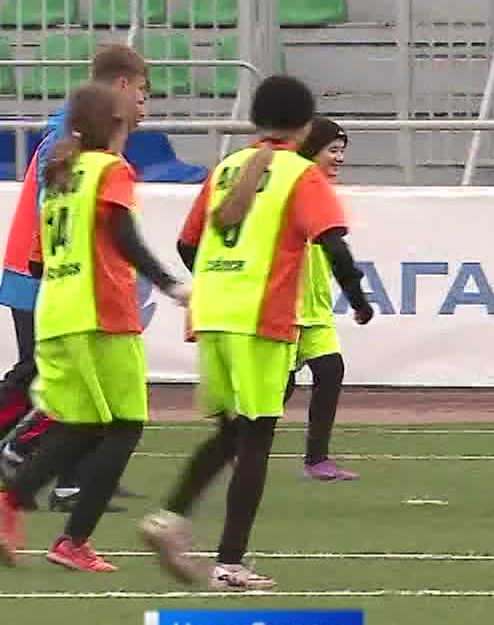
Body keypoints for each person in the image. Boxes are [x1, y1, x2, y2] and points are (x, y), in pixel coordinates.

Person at [137, 75, 375, 592]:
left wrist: (221, 280)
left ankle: (170, 516)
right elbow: (334, 244)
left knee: (231, 431)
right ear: (305, 125)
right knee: (257, 437)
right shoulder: (299, 174)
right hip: (260, 316)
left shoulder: (227, 167)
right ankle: (230, 563)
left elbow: (187, 244)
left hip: (212, 312)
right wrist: (358, 301)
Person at [0, 84, 188, 571]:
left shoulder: (61, 175)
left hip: (57, 313)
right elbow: (124, 235)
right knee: (125, 424)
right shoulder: (110, 169)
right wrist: (170, 284)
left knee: (83, 424)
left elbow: (38, 262)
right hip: (102, 314)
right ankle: (74, 540)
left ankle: (10, 500)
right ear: (116, 125)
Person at [0, 45, 151, 509]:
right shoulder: (70, 135)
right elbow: (53, 210)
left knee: (62, 380)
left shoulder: (81, 132)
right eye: (142, 90)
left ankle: (77, 477)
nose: (144, 101)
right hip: (42, 275)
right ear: (121, 85)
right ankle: (45, 467)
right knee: (40, 377)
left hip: (51, 274)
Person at [285, 118, 354, 481]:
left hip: (315, 310)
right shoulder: (292, 189)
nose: (339, 158)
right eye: (333, 150)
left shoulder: (324, 194)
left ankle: (317, 460)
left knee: (330, 371)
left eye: (342, 151)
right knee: (278, 389)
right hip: (284, 309)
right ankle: (234, 443)